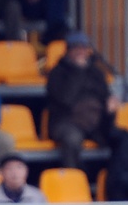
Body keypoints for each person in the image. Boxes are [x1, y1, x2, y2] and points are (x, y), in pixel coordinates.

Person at [46, 31, 119, 169]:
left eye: (83, 48)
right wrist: (78, 71)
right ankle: (74, 179)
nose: (80, 51)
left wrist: (110, 108)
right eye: (76, 48)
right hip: (67, 121)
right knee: (72, 140)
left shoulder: (96, 72)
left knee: (121, 139)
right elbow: (65, 99)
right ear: (68, 51)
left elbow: (105, 97)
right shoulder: (57, 73)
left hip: (95, 121)